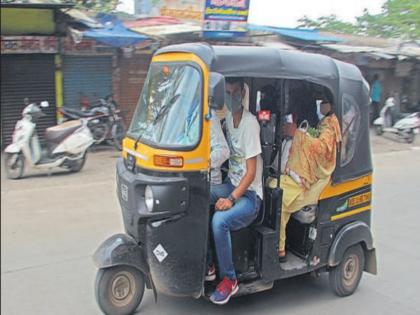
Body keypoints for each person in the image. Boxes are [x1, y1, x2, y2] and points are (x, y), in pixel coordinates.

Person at [207, 77, 263, 305]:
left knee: (220, 221)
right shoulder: (229, 118)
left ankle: (230, 280)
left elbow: (250, 173)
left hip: (250, 195)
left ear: (243, 93)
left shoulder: (251, 124)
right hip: (232, 185)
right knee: (200, 196)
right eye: (227, 93)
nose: (231, 97)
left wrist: (230, 199)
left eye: (235, 92)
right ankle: (209, 262)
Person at [270, 98, 341, 261]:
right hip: (301, 174)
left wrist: (297, 135)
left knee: (280, 197)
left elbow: (321, 150)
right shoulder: (322, 123)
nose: (321, 105)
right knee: (271, 185)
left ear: (331, 105)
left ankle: (279, 248)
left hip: (314, 179)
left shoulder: (330, 127)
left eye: (324, 101)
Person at [210, 109, 230, 185]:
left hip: (209, 181)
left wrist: (200, 163)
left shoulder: (208, 115)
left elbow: (223, 151)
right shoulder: (179, 112)